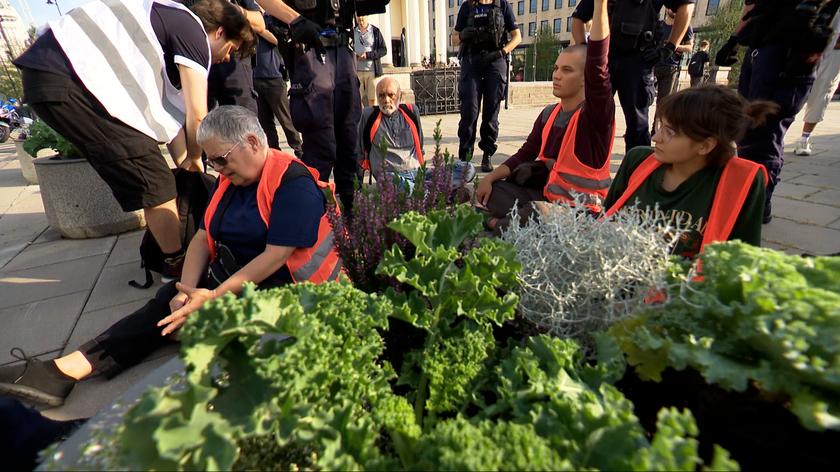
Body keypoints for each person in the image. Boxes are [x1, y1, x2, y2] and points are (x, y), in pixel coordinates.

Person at [0, 106, 343, 408]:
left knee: (174, 316)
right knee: (168, 302)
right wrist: (186, 288)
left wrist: (210, 297)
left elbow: (275, 256)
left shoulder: (293, 183)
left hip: (287, 294)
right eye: (212, 161)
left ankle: (194, 342)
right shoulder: (233, 180)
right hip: (234, 280)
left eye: (222, 159)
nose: (218, 169)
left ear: (253, 142)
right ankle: (66, 370)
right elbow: (202, 237)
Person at [13, 0, 253, 280]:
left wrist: (186, 164)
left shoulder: (166, 25)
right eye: (231, 50)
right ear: (220, 32)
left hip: (57, 74)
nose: (226, 59)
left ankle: (173, 255)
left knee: (152, 170)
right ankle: (176, 267)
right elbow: (198, 117)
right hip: (71, 78)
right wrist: (200, 158)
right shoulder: (193, 32)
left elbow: (166, 121)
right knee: (155, 182)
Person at [475, 0, 614, 232]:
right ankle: (514, 222)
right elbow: (525, 154)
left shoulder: (596, 116)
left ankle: (498, 223)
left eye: (567, 70)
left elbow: (599, 65)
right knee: (494, 191)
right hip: (547, 198)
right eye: (556, 68)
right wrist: (489, 179)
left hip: (581, 214)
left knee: (538, 214)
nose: (557, 75)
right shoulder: (549, 114)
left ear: (585, 78)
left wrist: (600, 5)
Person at [604, 86, 773, 259]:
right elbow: (604, 225)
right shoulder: (637, 161)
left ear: (705, 146)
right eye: (660, 125)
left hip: (687, 284)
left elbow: (742, 260)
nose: (655, 137)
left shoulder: (739, 182)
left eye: (669, 132)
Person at [253, 0, 390, 214]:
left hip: (344, 50)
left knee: (350, 146)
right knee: (320, 148)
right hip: (310, 49)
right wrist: (295, 19)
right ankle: (315, 223)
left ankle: (353, 223)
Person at [715, 0, 840, 223]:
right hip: (762, 41)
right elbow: (751, 5)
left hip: (792, 46)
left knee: (766, 129)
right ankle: (749, 195)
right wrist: (734, 39)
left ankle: (759, 202)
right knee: (747, 127)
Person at [571, 0, 695, 151]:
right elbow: (578, 18)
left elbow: (686, 5)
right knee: (593, 118)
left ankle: (638, 169)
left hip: (638, 60)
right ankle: (589, 164)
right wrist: (585, 52)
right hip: (604, 59)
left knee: (637, 124)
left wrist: (670, 46)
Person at [358, 77, 476, 191]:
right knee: (389, 182)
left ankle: (425, 191)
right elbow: (359, 153)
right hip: (390, 176)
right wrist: (356, 185)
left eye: (391, 95)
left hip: (418, 172)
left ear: (400, 96)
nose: (386, 100)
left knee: (467, 169)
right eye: (381, 95)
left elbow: (419, 145)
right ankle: (434, 192)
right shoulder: (368, 115)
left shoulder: (411, 111)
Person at [453, 0, 522, 173]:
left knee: (491, 111)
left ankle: (487, 154)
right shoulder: (467, 6)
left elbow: (517, 36)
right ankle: (465, 158)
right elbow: (454, 38)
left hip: (495, 60)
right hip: (472, 61)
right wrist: (462, 35)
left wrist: (502, 52)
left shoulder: (502, 5)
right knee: (469, 111)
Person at [253, 12, 303, 156]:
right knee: (265, 124)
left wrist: (260, 29)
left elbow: (278, 40)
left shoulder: (274, 17)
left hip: (273, 76)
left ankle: (300, 151)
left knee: (286, 121)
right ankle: (274, 156)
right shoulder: (250, 15)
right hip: (255, 76)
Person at [206, 0, 266, 113]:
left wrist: (228, 9)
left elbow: (260, 24)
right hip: (200, 58)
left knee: (242, 118)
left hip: (235, 62)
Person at [794, 9, 840, 156]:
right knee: (791, 83)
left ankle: (804, 137)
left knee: (823, 89)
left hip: (835, 48)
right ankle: (777, 129)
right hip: (807, 36)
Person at [651, 9, 693, 134]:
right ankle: (637, 126)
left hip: (670, 69)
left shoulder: (685, 26)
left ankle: (655, 130)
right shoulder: (658, 25)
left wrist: (673, 45)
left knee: (663, 103)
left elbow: (690, 47)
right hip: (653, 66)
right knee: (642, 98)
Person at [354, 15, 388, 107]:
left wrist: (368, 55)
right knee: (357, 100)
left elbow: (383, 50)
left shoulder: (375, 31)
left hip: (372, 72)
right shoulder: (353, 31)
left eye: (363, 16)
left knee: (373, 100)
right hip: (357, 72)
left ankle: (372, 120)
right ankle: (361, 120)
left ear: (367, 16)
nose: (360, 18)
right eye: (358, 16)